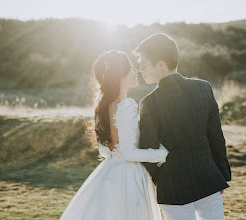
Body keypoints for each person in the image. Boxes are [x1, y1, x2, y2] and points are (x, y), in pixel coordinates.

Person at [60, 50, 169, 220]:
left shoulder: (102, 105)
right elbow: (128, 153)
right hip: (130, 177)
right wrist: (163, 154)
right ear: (121, 75)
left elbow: (104, 151)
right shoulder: (126, 106)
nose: (135, 71)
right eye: (131, 67)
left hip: (109, 172)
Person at [133, 33, 231, 220]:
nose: (141, 70)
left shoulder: (149, 103)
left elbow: (149, 149)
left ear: (161, 64)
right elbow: (216, 137)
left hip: (173, 187)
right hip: (209, 178)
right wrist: (221, 175)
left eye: (143, 65)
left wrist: (160, 181)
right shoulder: (204, 88)